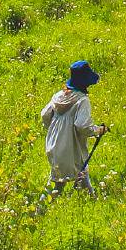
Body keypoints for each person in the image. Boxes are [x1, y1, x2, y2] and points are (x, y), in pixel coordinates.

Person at [40, 60, 108, 191]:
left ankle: (40, 210)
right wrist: (98, 130)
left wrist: (57, 130)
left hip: (53, 145)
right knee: (72, 178)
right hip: (71, 148)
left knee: (59, 180)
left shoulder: (58, 96)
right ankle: (40, 210)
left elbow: (45, 115)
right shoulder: (82, 100)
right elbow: (82, 126)